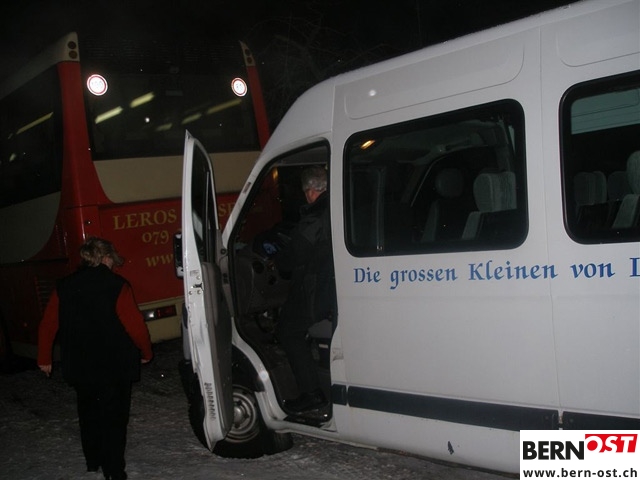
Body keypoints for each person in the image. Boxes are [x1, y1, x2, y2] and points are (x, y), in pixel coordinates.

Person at [38, 237, 153, 480]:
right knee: (114, 418)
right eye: (113, 260)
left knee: (88, 412)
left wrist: (44, 357)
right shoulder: (116, 285)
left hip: (80, 364)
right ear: (106, 258)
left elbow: (48, 324)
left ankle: (93, 460)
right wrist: (145, 352)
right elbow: (135, 326)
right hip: (114, 366)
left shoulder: (65, 285)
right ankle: (114, 470)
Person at [275, 165, 336, 413]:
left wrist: (278, 258)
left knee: (287, 330)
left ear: (310, 191)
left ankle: (312, 393)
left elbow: (290, 259)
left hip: (319, 290)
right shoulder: (338, 206)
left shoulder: (314, 218)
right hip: (332, 287)